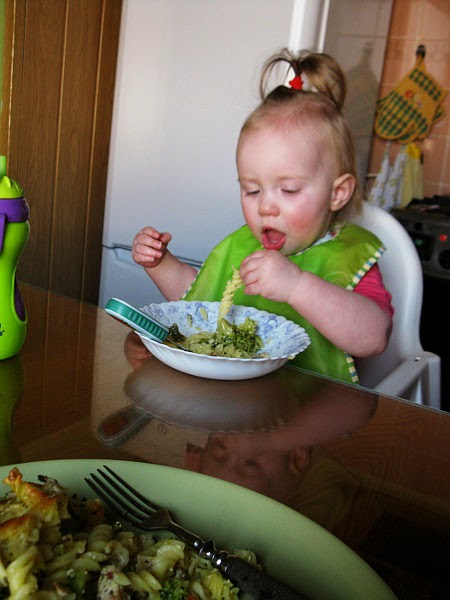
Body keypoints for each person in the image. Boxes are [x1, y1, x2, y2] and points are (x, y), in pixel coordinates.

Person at [131, 49, 393, 384]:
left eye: (289, 190)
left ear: (337, 193)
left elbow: (374, 337)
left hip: (311, 406)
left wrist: (296, 286)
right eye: (252, 190)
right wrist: (160, 263)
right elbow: (198, 301)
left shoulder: (350, 255)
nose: (266, 207)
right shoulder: (243, 245)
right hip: (234, 400)